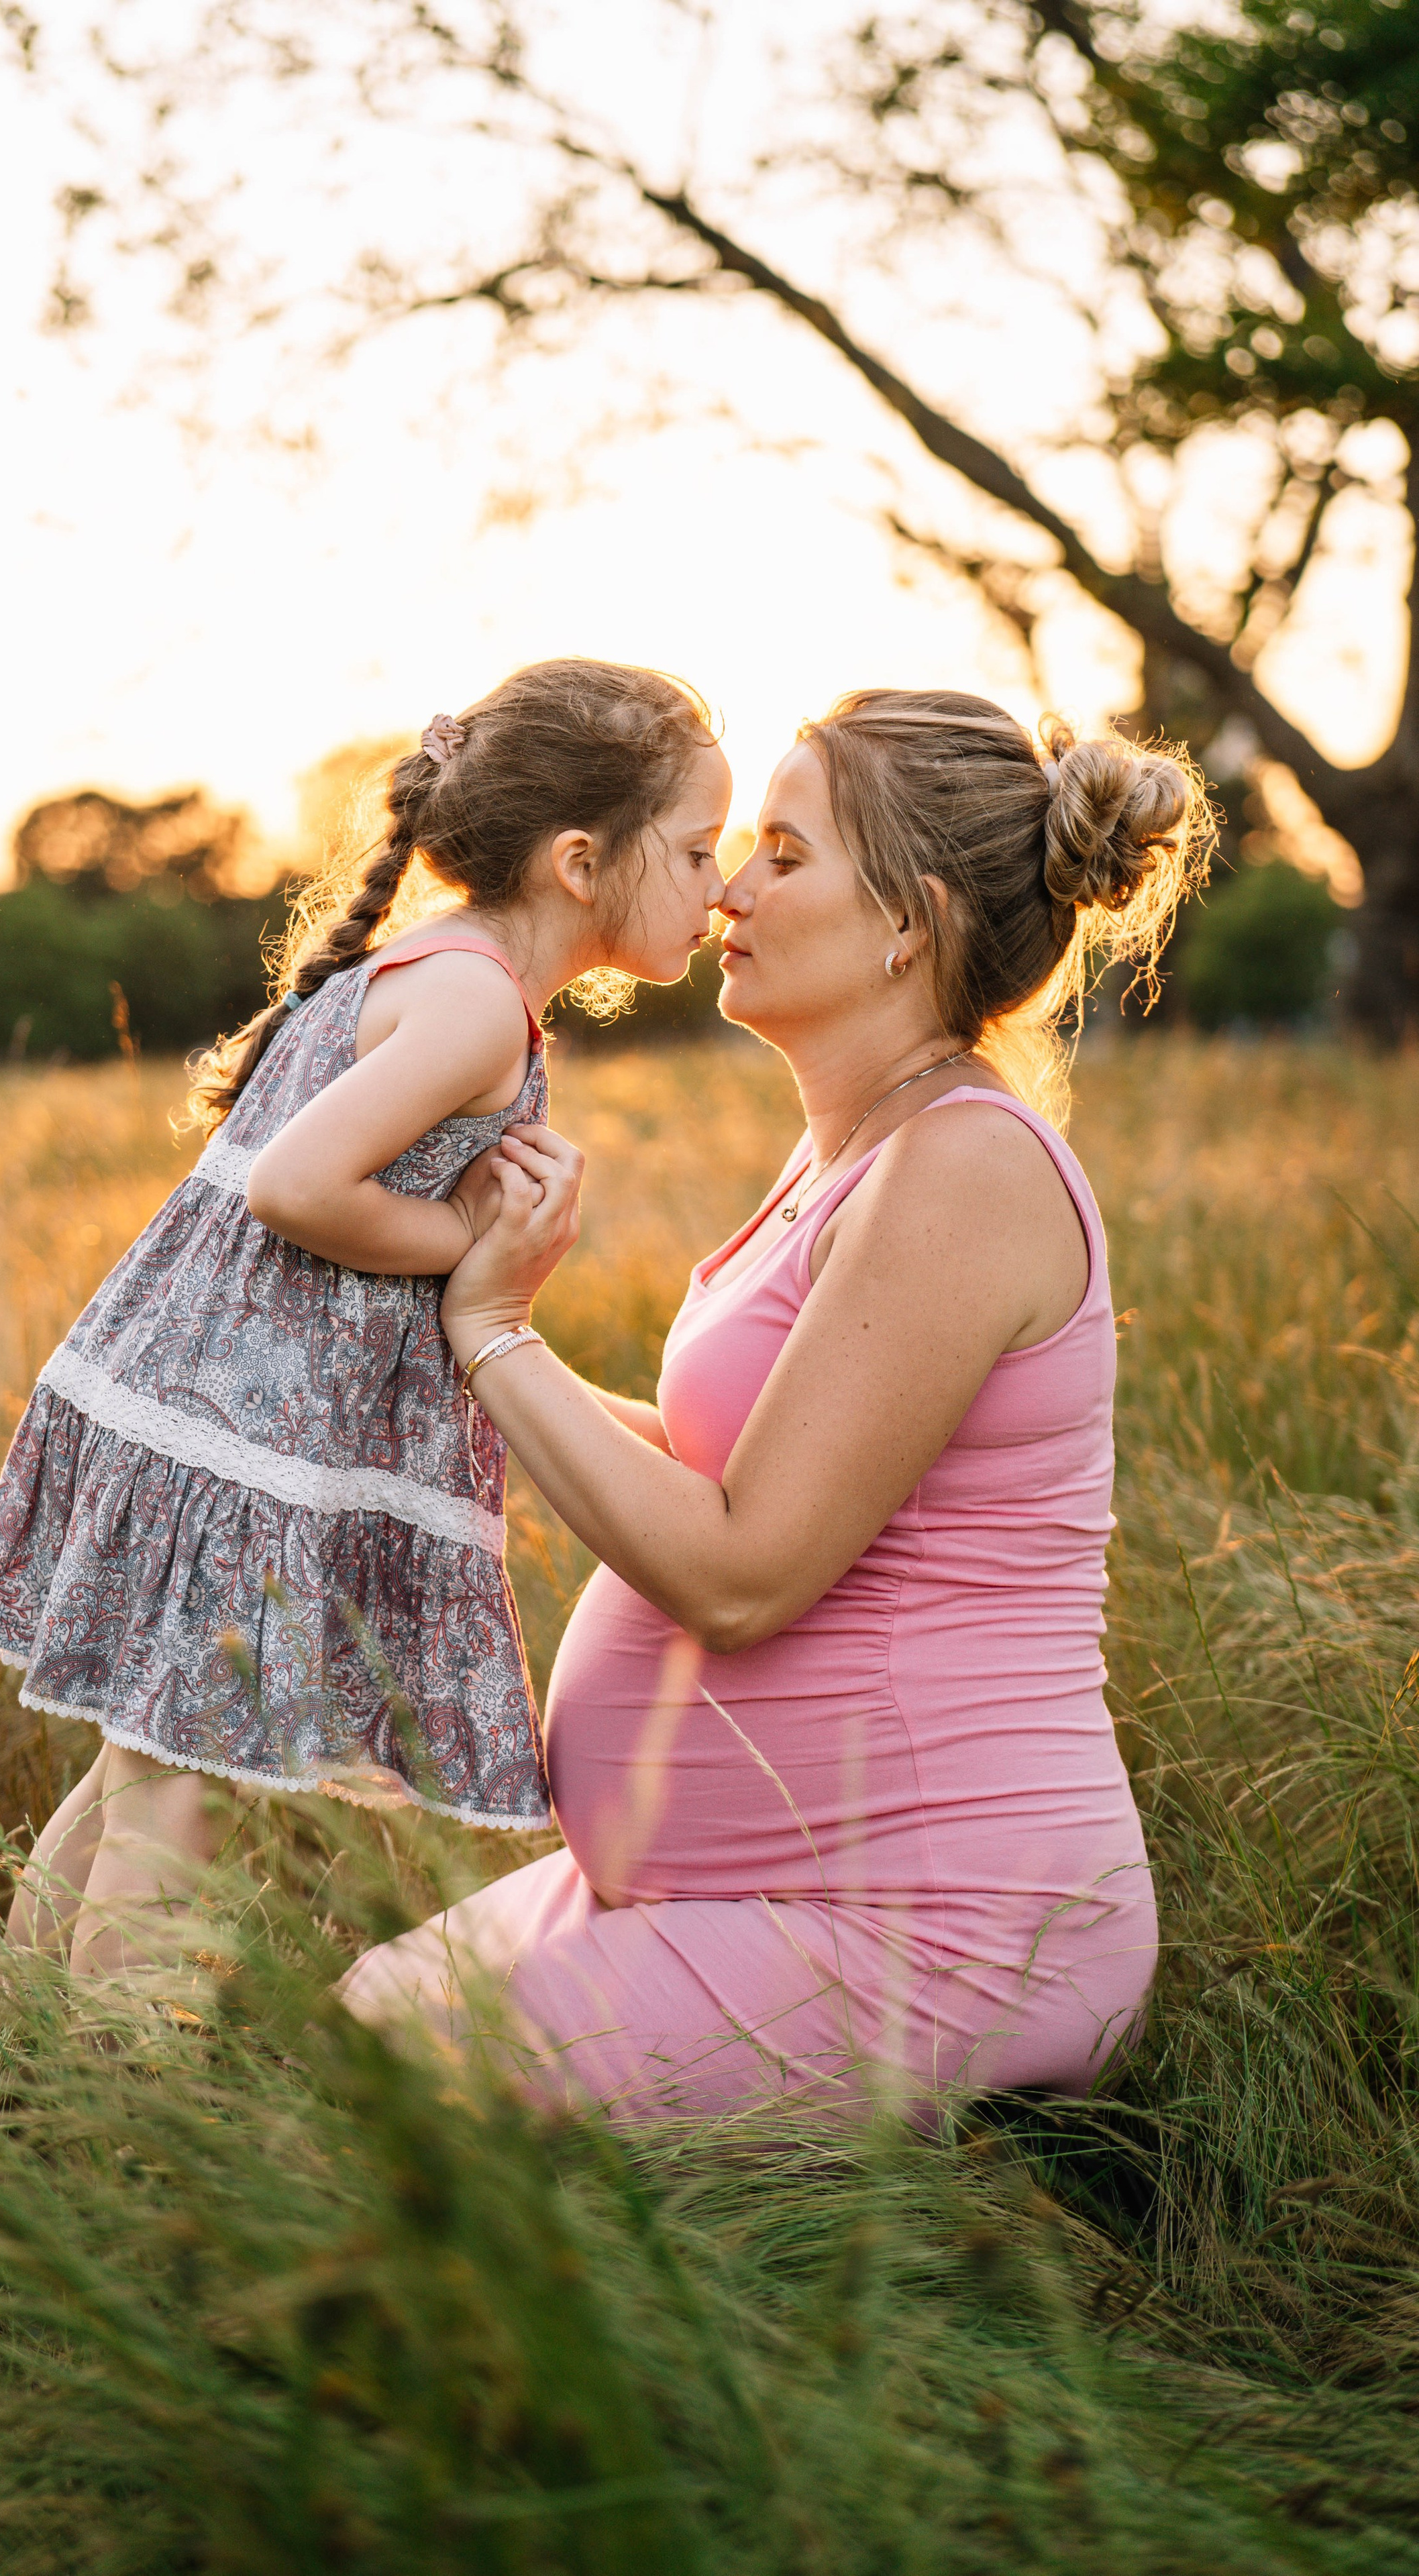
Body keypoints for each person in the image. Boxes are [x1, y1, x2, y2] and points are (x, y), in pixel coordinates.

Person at [341, 688, 1206, 2125]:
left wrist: (492, 1331)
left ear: (907, 924)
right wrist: (460, 1353)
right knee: (348, 2034)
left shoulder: (963, 1169)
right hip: (766, 1887)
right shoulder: (853, 1148)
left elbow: (740, 1576)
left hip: (941, 1927)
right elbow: (714, 1463)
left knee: (388, 2104)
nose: (726, 887)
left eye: (784, 858)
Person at [0, 658, 731, 1974]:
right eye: (700, 850)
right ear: (581, 862)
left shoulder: (445, 976)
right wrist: (475, 1258)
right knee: (179, 1804)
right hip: (233, 1454)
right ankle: (116, 2132)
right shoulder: (475, 1001)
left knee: (140, 1782)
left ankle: (21, 2092)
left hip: (190, 1426)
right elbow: (296, 1186)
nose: (722, 884)